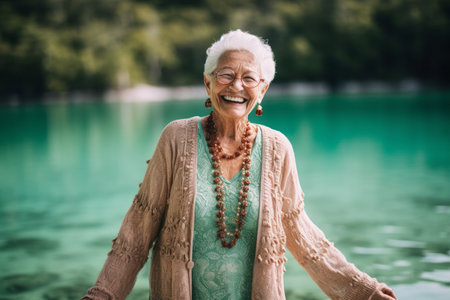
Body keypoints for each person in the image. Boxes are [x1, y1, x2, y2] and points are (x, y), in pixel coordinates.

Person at [82, 29, 397, 300]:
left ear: (263, 90)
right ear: (208, 84)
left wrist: (363, 291)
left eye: (249, 78)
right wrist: (102, 295)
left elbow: (305, 238)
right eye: (226, 75)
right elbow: (136, 234)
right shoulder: (176, 139)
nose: (236, 86)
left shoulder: (278, 149)